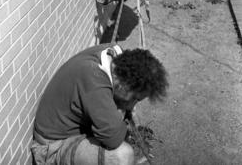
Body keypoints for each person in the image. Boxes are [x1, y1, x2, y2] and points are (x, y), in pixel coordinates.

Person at [31, 43, 168, 165]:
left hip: (74, 131)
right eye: (135, 99)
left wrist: (122, 115)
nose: (133, 105)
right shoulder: (95, 80)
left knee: (125, 123)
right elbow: (113, 139)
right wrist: (120, 116)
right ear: (123, 86)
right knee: (122, 156)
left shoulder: (114, 55)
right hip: (52, 147)